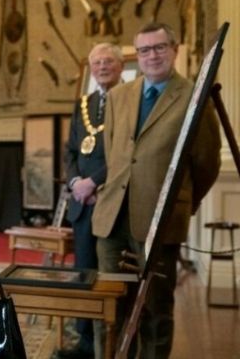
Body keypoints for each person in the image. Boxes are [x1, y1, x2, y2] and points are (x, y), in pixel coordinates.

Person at [91, 22, 221, 359]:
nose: (152, 55)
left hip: (158, 223)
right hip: (112, 221)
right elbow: (114, 152)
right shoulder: (119, 95)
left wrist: (181, 205)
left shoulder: (195, 96)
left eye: (159, 47)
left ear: (174, 50)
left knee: (155, 311)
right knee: (110, 308)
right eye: (144, 49)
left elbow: (207, 165)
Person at [60, 42, 124, 359]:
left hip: (112, 201)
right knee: (84, 272)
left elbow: (127, 153)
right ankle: (84, 344)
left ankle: (112, 344)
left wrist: (94, 182)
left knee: (109, 276)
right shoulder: (84, 104)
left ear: (121, 65)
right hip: (82, 203)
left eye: (109, 61)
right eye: (97, 62)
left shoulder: (130, 101)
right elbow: (71, 150)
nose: (102, 66)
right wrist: (75, 182)